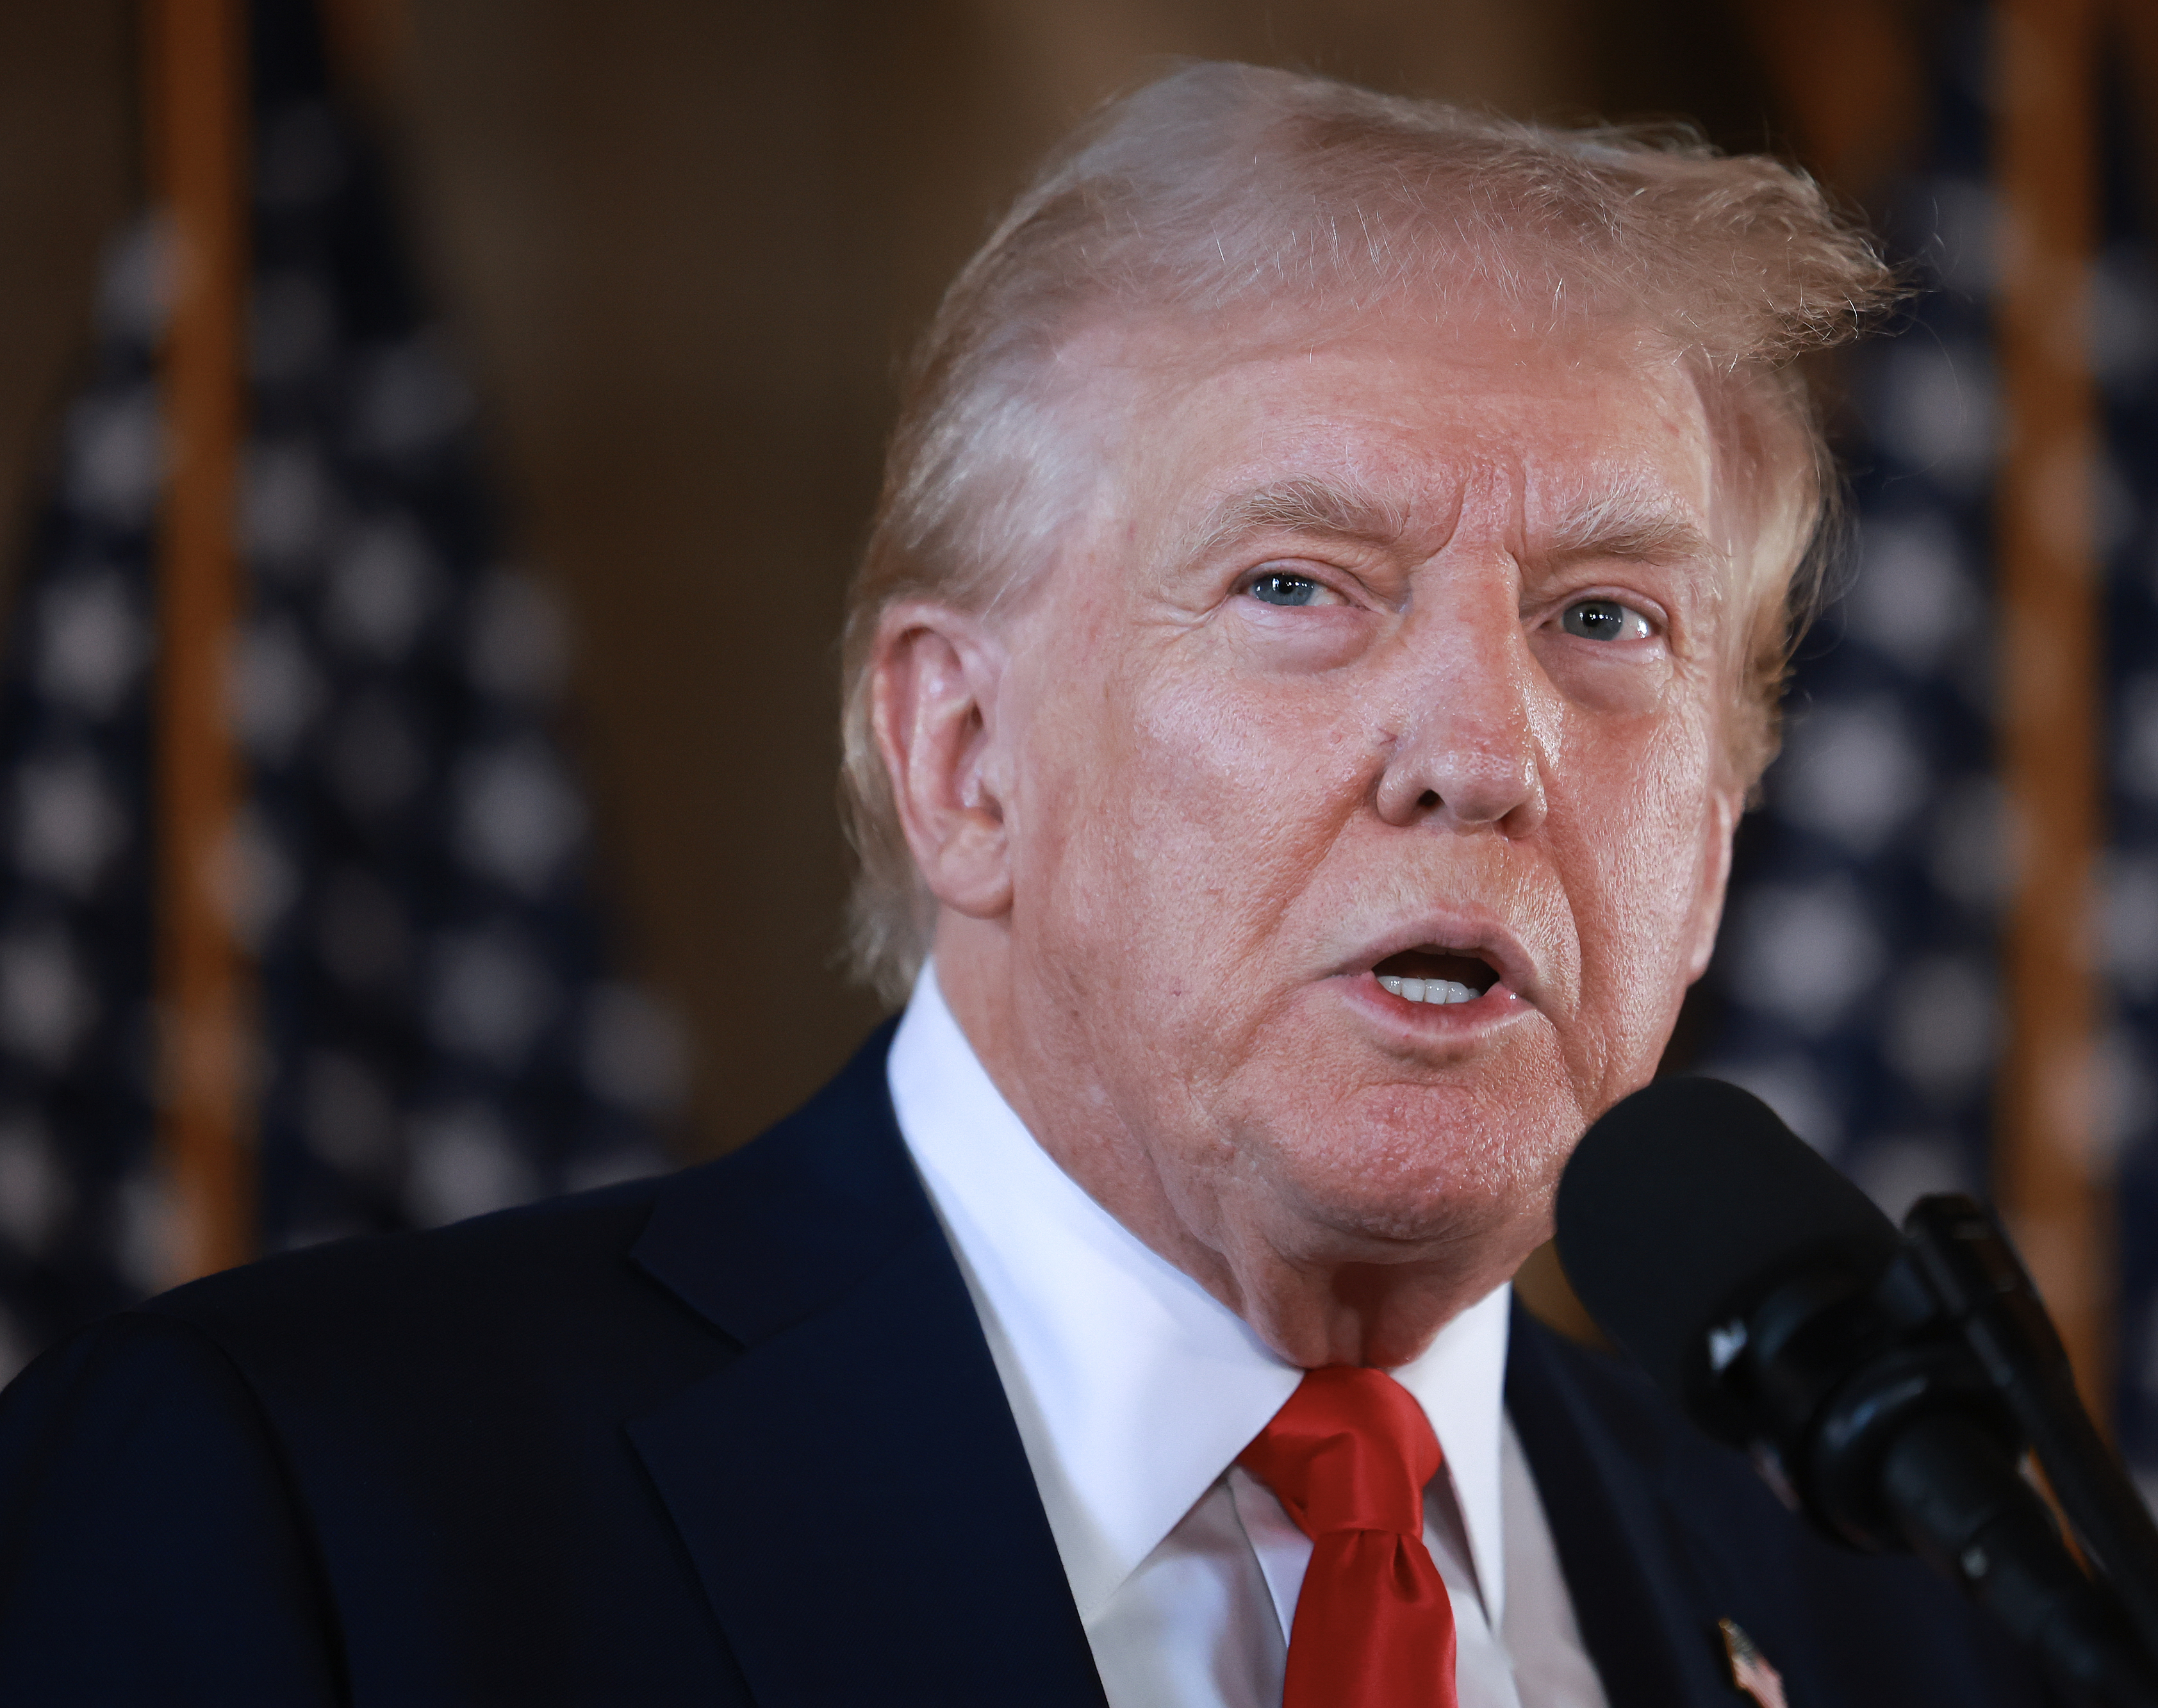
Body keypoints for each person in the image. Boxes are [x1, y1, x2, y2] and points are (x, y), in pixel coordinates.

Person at [0, 63, 2047, 1707]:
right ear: (963, 760)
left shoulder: (1906, 1626)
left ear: (1711, 846)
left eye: (1607, 618)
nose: (1487, 752)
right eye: (1297, 586)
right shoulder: (305, 1506)